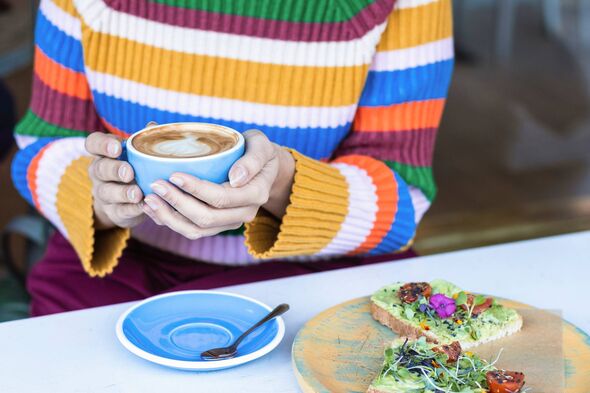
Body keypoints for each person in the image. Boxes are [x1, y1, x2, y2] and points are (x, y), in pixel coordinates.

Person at [12, 0, 453, 316]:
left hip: (318, 276)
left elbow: (404, 195)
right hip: (121, 268)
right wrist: (99, 201)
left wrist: (282, 186)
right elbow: (43, 146)